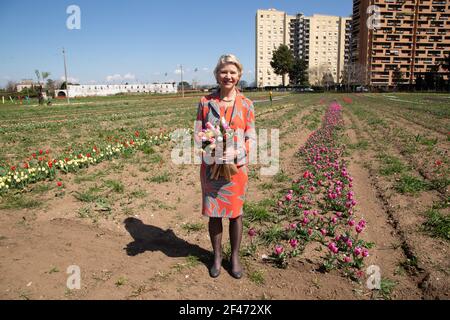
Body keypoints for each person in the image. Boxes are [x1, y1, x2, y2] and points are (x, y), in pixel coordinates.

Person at [195, 54, 256, 279]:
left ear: (239, 75)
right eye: (223, 72)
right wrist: (211, 149)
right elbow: (197, 132)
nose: (228, 76)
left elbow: (251, 135)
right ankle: (217, 256)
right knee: (214, 214)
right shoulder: (205, 102)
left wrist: (237, 152)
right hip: (212, 167)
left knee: (235, 214)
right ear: (216, 75)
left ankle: (235, 257)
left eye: (232, 72)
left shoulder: (247, 104)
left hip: (236, 169)